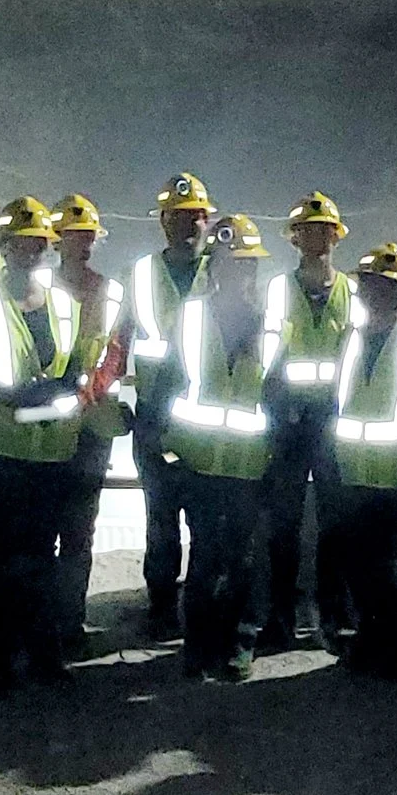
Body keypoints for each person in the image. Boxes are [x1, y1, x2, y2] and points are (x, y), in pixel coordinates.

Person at [0, 196, 87, 690]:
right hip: (0, 451)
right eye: (20, 243)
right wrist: (31, 394)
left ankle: (43, 654)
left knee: (42, 556)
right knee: (3, 558)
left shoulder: (65, 306)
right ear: (5, 247)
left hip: (51, 452)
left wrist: (59, 392)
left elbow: (75, 369)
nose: (29, 251)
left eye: (37, 243)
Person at [162, 215, 277, 681]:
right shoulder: (189, 317)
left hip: (250, 466)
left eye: (245, 263)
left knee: (243, 559)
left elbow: (280, 399)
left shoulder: (272, 326)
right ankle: (198, 646)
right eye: (229, 262)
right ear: (214, 267)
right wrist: (172, 456)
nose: (237, 271)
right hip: (200, 463)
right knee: (205, 557)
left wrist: (274, 462)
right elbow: (169, 388)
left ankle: (239, 644)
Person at [260, 191, 358, 652]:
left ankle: (331, 618)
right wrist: (277, 406)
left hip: (332, 421)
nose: (316, 238)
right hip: (289, 420)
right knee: (283, 525)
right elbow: (266, 355)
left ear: (335, 237)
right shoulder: (279, 290)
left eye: (323, 230)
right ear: (294, 239)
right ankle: (280, 620)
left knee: (334, 525)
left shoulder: (352, 292)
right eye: (308, 231)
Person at [125, 173, 218, 638]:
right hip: (154, 414)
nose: (187, 225)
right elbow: (117, 342)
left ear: (208, 221)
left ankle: (200, 613)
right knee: (161, 519)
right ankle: (161, 606)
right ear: (162, 222)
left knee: (206, 521)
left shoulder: (225, 269)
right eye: (177, 218)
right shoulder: (142, 274)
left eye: (195, 217)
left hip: (206, 418)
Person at [330, 243, 397, 680]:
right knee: (360, 567)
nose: (376, 294)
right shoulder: (349, 338)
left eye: (386, 287)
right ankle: (369, 643)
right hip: (353, 473)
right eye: (369, 286)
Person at [49, 194, 126, 655]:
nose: (82, 242)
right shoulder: (38, 290)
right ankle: (42, 625)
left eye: (88, 236)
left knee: (79, 532)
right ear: (56, 240)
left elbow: (116, 353)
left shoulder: (111, 292)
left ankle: (69, 623)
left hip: (92, 427)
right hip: (42, 429)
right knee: (42, 533)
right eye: (74, 235)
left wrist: (89, 390)